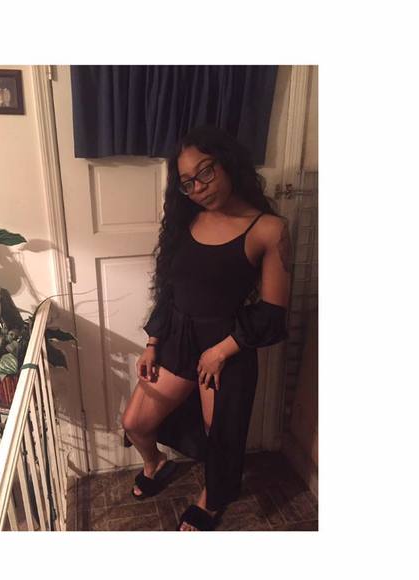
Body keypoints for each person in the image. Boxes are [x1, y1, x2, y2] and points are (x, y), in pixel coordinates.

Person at [120, 125, 292, 531]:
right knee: (134, 423)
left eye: (206, 172)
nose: (198, 187)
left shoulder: (269, 229)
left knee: (221, 435)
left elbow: (272, 312)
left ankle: (212, 500)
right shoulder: (186, 220)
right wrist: (153, 342)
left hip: (226, 345)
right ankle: (156, 463)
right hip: (177, 338)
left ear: (227, 163)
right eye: (188, 182)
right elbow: (170, 289)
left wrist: (221, 351)